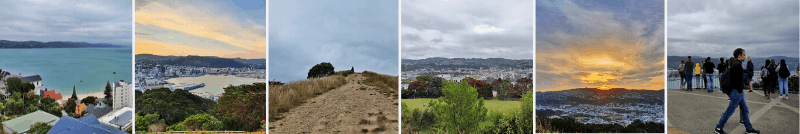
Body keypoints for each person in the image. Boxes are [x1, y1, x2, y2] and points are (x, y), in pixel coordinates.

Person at [715, 48, 760, 134]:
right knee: (730, 111)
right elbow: (737, 80)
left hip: (738, 91)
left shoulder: (736, 64)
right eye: (744, 55)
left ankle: (749, 129)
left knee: (745, 109)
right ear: (739, 56)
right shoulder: (737, 65)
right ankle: (718, 128)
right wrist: (740, 89)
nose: (745, 56)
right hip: (737, 92)